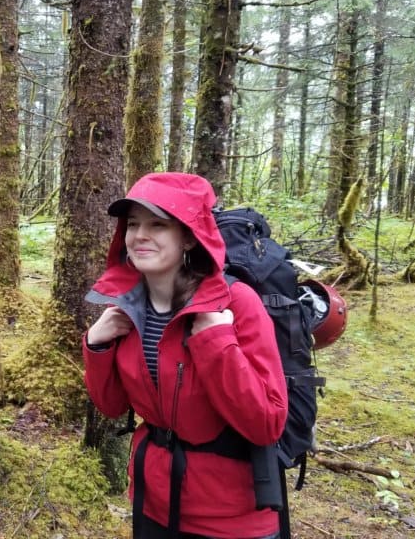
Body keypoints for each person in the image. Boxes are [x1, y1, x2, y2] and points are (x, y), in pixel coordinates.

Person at [83, 172, 288, 539]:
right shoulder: (128, 307)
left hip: (229, 518)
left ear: (190, 238)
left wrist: (215, 339)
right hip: (153, 502)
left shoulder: (236, 303)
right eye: (132, 224)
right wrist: (97, 344)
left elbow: (267, 423)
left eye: (158, 225)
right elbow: (113, 406)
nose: (139, 235)